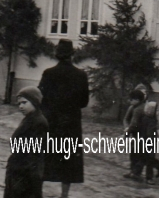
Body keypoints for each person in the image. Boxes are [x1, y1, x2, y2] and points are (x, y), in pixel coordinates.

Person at [39, 39, 89, 198]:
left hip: (51, 122)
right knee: (69, 160)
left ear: (57, 55)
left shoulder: (48, 73)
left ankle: (38, 191)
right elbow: (84, 102)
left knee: (46, 156)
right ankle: (64, 195)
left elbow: (40, 97)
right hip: (71, 124)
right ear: (71, 55)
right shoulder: (81, 75)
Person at [4, 87, 49, 198]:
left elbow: (33, 153)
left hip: (25, 174)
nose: (21, 106)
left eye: (24, 102)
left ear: (34, 101)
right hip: (19, 171)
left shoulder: (38, 122)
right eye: (19, 103)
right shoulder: (29, 119)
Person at [124, 88, 159, 184]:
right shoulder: (138, 109)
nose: (129, 101)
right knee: (141, 156)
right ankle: (137, 173)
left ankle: (142, 174)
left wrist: (127, 133)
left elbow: (134, 125)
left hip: (144, 139)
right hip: (142, 138)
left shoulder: (139, 110)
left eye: (131, 99)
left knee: (142, 157)